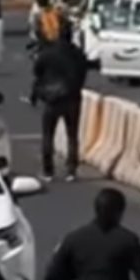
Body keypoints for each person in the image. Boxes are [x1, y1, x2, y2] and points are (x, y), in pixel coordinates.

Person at [32, 21, 87, 182]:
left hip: (52, 99)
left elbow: (37, 71)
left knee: (48, 135)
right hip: (72, 98)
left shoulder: (48, 53)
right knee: (72, 135)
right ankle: (71, 170)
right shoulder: (77, 53)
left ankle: (48, 171)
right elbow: (83, 72)